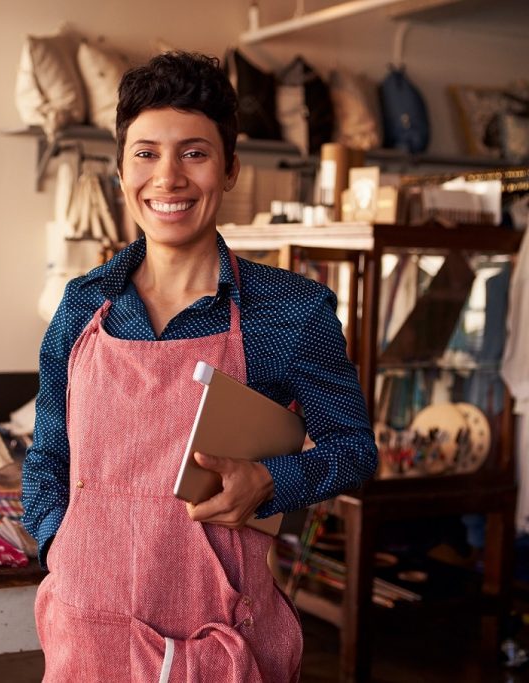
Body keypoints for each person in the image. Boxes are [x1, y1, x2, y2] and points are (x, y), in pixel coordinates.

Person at [21, 51, 378, 682]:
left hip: (219, 642)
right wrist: (61, 549)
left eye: (194, 152)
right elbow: (48, 456)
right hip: (88, 634)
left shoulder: (291, 311)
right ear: (122, 167)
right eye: (146, 153)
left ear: (230, 169)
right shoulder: (84, 304)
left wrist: (271, 481)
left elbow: (354, 450)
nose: (168, 178)